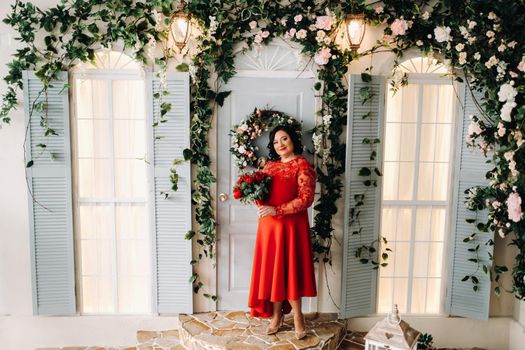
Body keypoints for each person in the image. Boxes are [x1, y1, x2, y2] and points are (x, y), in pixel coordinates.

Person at [247, 123, 317, 340]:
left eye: (284, 139)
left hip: (292, 227)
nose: (280, 144)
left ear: (293, 140)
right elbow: (263, 194)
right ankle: (276, 316)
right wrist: (254, 198)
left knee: (290, 270)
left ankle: (298, 316)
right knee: (273, 271)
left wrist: (276, 209)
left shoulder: (303, 165)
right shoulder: (269, 166)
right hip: (269, 227)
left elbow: (306, 199)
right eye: (275, 141)